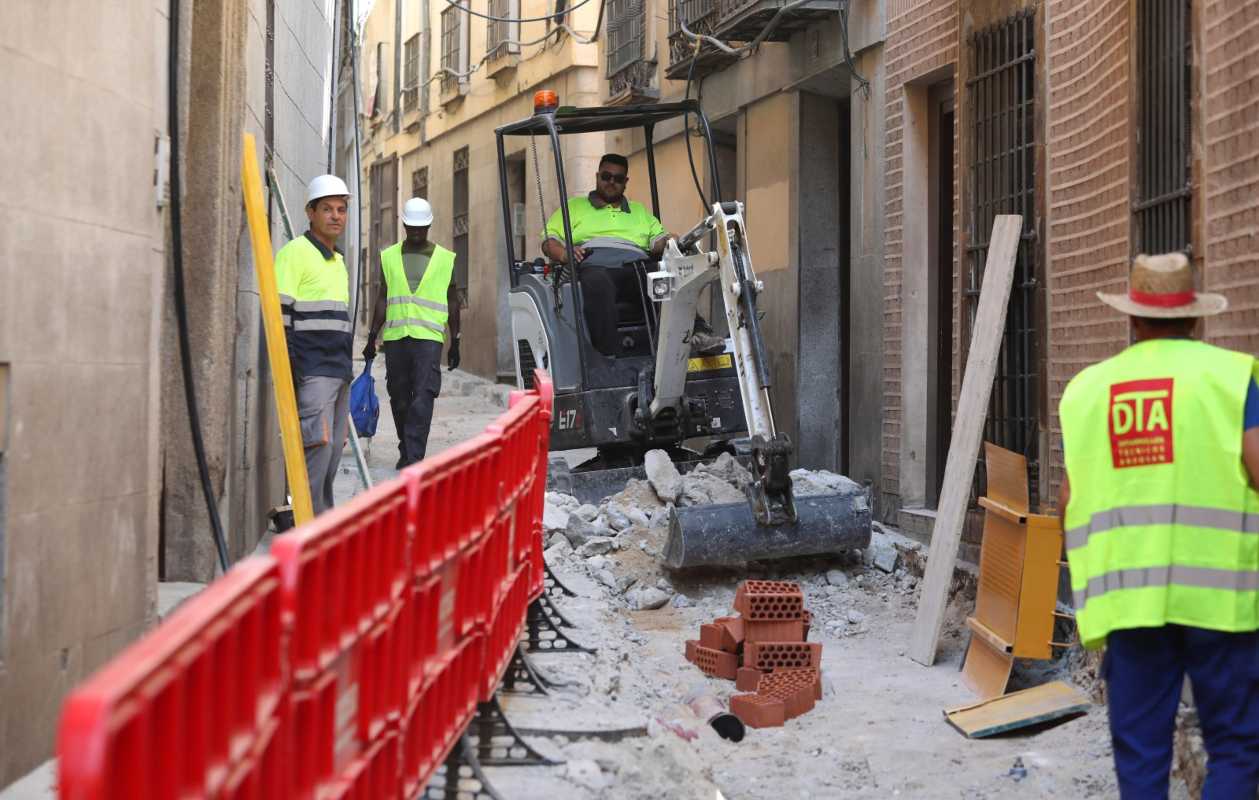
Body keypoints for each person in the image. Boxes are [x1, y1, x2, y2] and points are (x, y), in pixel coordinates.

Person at [1058, 252, 1259, 798]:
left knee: (1142, 752)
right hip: (1221, 599)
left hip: (1130, 600)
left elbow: (1069, 498)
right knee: (1238, 747)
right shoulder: (1230, 378)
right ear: (1196, 317)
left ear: (1131, 317)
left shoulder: (1088, 391)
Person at [541, 153, 724, 357]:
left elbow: (657, 241)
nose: (611, 182)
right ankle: (609, 357)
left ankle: (697, 332)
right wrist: (564, 254)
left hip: (635, 267)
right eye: (606, 176)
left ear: (625, 182)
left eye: (618, 179)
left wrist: (670, 240)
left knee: (667, 277)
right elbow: (549, 241)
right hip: (595, 264)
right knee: (597, 282)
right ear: (597, 176)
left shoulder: (638, 211)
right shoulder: (574, 206)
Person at [362, 197, 460, 469]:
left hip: (429, 338)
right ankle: (406, 447)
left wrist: (456, 341)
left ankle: (415, 456)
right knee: (400, 396)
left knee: (424, 394)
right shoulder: (389, 256)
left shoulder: (445, 258)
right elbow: (383, 297)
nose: (416, 232)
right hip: (395, 339)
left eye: (421, 228)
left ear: (428, 226)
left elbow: (453, 301)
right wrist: (372, 337)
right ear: (404, 224)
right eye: (411, 227)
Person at [276, 175, 354, 515]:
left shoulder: (338, 261)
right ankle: (306, 528)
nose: (336, 216)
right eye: (327, 209)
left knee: (333, 452)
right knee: (317, 449)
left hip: (338, 370)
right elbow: (280, 317)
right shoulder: (295, 254)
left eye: (341, 209)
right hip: (312, 371)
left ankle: (320, 525)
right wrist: (294, 372)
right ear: (310, 212)